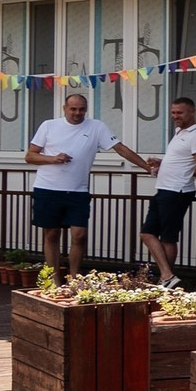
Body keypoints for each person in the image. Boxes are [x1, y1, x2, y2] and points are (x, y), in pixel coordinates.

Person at [24, 89, 152, 276]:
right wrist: (53, 159)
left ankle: (75, 278)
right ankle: (54, 281)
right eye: (73, 109)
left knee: (79, 235)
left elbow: (121, 149)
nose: (77, 113)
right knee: (51, 234)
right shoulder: (49, 126)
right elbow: (30, 156)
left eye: (81, 109)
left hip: (78, 190)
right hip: (48, 188)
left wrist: (146, 167)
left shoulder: (96, 127)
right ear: (64, 109)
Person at [139, 94, 196, 286]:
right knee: (147, 233)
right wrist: (164, 164)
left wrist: (179, 172)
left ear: (192, 112)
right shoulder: (180, 132)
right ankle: (166, 275)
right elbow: (183, 161)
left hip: (177, 191)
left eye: (180, 112)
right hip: (164, 189)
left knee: (168, 237)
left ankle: (166, 278)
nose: (176, 116)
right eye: (173, 113)